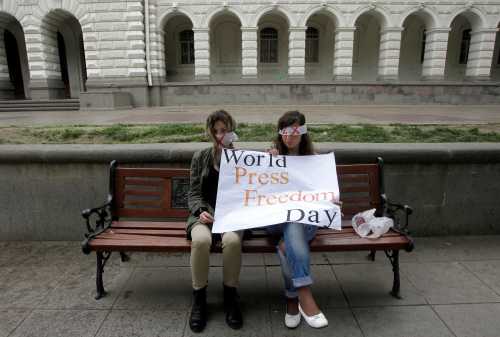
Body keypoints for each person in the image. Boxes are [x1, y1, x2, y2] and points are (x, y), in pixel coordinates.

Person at [267, 110, 331, 329]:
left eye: (295, 131)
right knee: (291, 223)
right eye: (284, 132)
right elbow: (258, 193)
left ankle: (293, 301)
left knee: (288, 242)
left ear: (303, 133)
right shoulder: (270, 157)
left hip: (305, 221)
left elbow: (323, 194)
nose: (289, 137)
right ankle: (305, 293)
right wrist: (269, 165)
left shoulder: (313, 161)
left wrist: (331, 201)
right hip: (275, 219)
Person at [186, 109, 243, 332]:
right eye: (216, 131)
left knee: (232, 241)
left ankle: (230, 296)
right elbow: (192, 192)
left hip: (231, 216)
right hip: (204, 215)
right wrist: (200, 210)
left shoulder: (241, 159)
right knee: (200, 241)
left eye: (225, 130)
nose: (220, 135)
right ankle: (199, 298)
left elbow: (249, 190)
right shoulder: (200, 157)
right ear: (211, 132)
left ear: (231, 132)